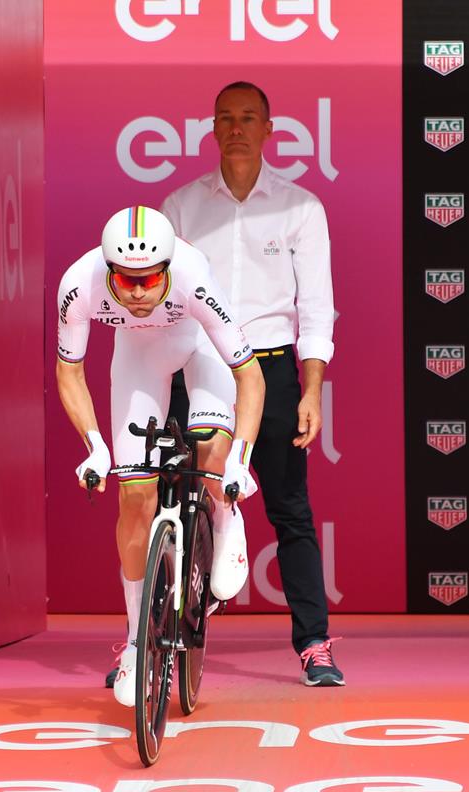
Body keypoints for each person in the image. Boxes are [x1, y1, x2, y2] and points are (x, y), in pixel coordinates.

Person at [160, 80, 343, 687]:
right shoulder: (180, 207)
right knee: (172, 503)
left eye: (247, 117)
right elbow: (159, 302)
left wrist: (311, 390)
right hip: (198, 367)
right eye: (225, 118)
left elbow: (315, 309)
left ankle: (314, 645)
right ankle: (149, 643)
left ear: (269, 129)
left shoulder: (300, 208)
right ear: (212, 129)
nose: (236, 128)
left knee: (290, 510)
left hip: (271, 370)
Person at [55, 205, 265, 707]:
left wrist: (240, 460)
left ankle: (224, 516)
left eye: (149, 280)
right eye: (124, 280)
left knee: (210, 445)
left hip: (201, 347)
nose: (136, 292)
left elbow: (250, 376)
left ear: (168, 268)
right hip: (139, 355)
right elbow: (69, 372)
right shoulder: (79, 284)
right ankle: (134, 641)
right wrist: (94, 447)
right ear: (108, 269)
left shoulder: (193, 278)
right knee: (134, 496)